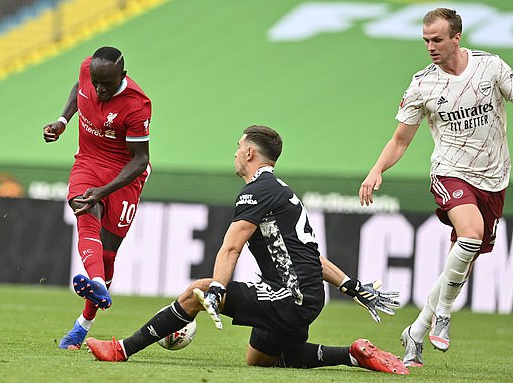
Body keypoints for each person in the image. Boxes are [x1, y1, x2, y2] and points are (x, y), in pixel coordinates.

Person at [85, 125, 408, 375]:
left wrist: (217, 288)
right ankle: (353, 354)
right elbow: (308, 255)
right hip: (304, 295)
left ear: (251, 153)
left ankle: (121, 349)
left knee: (196, 291)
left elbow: (232, 247)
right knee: (265, 360)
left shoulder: (257, 191)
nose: (235, 153)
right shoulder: (281, 191)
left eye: (238, 147)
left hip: (290, 295)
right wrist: (350, 285)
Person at [358, 8, 513, 367]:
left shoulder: (490, 67)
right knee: (471, 234)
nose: (430, 46)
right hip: (450, 173)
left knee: (463, 257)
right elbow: (400, 139)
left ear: (456, 38)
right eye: (426, 40)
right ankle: (443, 314)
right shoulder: (422, 84)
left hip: (494, 177)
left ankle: (416, 330)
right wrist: (376, 170)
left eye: (437, 39)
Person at [43, 46, 152, 350]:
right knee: (84, 211)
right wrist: (62, 121)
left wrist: (104, 191)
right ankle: (99, 286)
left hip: (124, 174)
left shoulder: (137, 105)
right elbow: (80, 87)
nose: (100, 89)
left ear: (123, 76)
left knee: (108, 255)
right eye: (97, 82)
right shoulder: (87, 71)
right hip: (88, 162)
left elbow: (140, 160)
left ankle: (84, 323)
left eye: (107, 84)